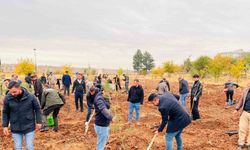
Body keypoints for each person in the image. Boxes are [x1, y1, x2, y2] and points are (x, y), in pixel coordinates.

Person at [2, 81, 42, 150]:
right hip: (15, 127)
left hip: (29, 125)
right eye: (11, 92)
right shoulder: (8, 98)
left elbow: (37, 109)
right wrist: (5, 126)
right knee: (17, 147)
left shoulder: (31, 96)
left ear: (19, 88)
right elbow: (5, 112)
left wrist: (39, 121)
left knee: (29, 147)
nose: (12, 94)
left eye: (14, 92)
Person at [234, 81, 250, 150]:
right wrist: (237, 109)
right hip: (245, 112)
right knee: (242, 128)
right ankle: (241, 144)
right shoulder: (245, 91)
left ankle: (248, 144)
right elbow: (241, 100)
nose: (248, 85)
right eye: (249, 84)